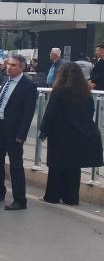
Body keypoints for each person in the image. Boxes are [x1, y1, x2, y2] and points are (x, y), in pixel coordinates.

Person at [39, 62, 103, 205]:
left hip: (60, 134)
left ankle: (52, 196)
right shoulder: (85, 92)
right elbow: (90, 112)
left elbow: (51, 113)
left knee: (56, 166)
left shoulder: (59, 91)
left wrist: (43, 131)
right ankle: (71, 198)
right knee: (74, 167)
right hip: (79, 134)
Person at [0, 54, 38, 210]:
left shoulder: (28, 86)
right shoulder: (6, 80)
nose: (9, 67)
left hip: (14, 131)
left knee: (15, 165)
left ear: (22, 67)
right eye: (8, 64)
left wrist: (21, 134)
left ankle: (19, 199)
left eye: (13, 65)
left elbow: (28, 112)